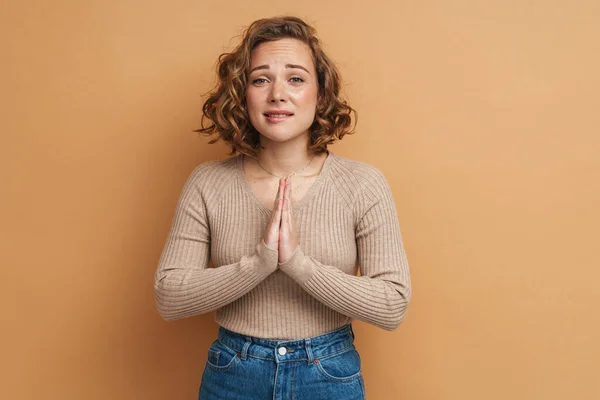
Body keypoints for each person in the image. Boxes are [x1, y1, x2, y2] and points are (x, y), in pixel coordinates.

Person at [154, 15, 411, 400]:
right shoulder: (208, 182)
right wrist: (258, 263)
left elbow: (392, 305)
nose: (277, 94)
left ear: (320, 94)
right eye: (260, 79)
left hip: (327, 373)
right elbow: (169, 296)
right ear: (243, 95)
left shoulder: (362, 183)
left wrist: (298, 265)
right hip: (233, 373)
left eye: (295, 78)